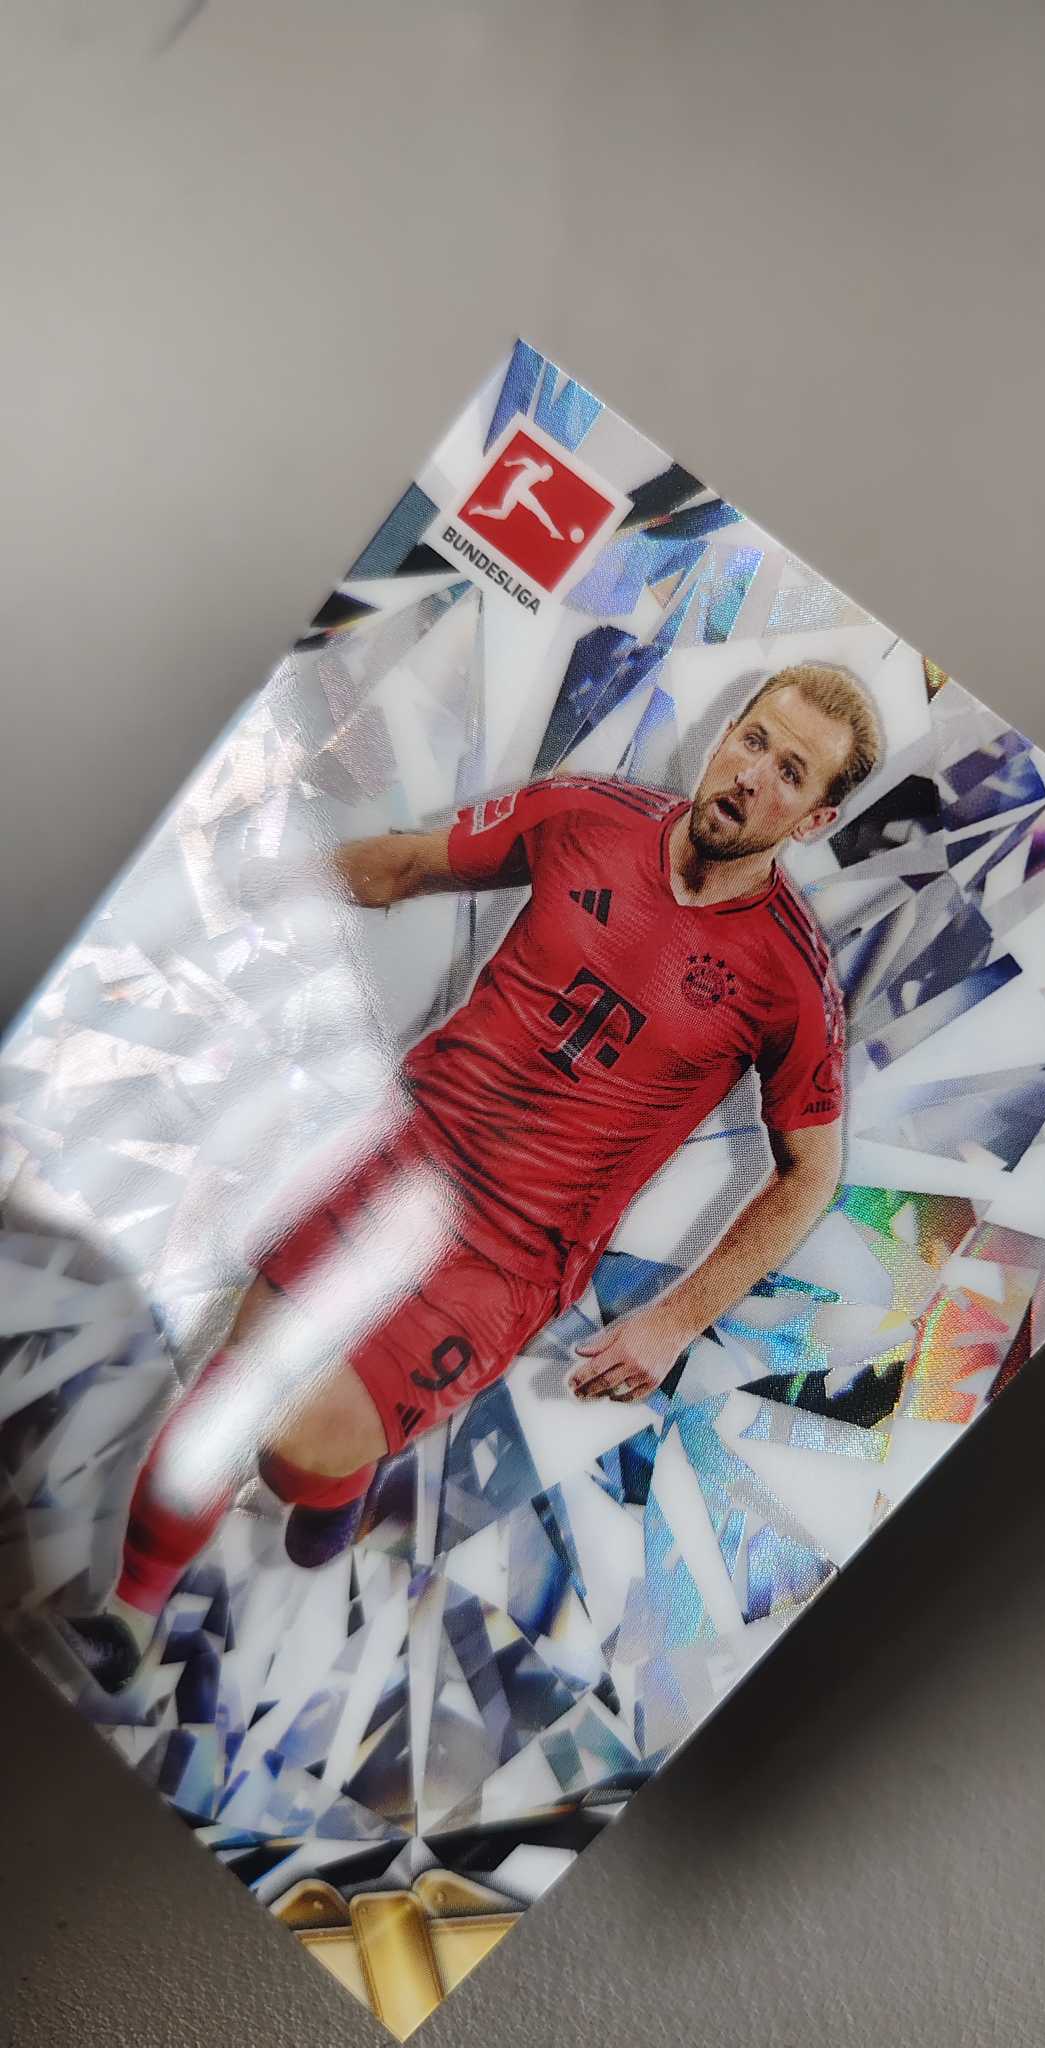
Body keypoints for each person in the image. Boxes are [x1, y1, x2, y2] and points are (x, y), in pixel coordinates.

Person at [60, 663, 882, 1694]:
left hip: (514, 1254)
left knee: (291, 1446)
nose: (753, 774)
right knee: (238, 1383)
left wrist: (675, 1320)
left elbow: (812, 1172)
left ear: (815, 819)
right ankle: (127, 1618)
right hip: (405, 1152)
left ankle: (331, 1488)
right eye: (753, 739)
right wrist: (245, 890)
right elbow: (405, 865)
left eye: (791, 772)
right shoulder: (586, 815)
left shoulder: (790, 979)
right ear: (728, 732)